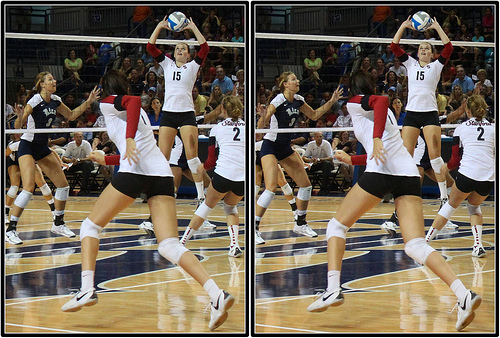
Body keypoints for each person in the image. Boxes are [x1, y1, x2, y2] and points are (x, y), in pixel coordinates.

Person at [307, 70, 481, 332]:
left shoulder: (357, 102)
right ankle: (463, 294)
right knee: (416, 246)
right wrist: (352, 159)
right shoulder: (382, 115)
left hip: (383, 174)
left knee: (336, 227)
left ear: (352, 88)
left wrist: (374, 139)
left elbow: (381, 102)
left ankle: (333, 289)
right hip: (408, 175)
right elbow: (387, 151)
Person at [60, 70, 234, 331]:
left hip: (137, 173)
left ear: (104, 89)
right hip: (160, 174)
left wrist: (127, 139)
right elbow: (139, 151)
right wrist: (106, 159)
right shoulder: (135, 115)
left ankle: (86, 289)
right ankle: (216, 294)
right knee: (169, 246)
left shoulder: (112, 102)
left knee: (89, 227)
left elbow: (131, 103)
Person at [6, 72, 100, 244]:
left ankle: (58, 223)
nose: (54, 81)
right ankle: (11, 229)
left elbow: (71, 115)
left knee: (63, 185)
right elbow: (18, 127)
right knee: (28, 187)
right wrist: (19, 117)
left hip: (42, 147)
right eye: (50, 80)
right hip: (28, 145)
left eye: (53, 79)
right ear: (42, 84)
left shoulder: (55, 99)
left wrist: (88, 102)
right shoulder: (35, 100)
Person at [255, 71, 342, 240]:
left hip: (285, 147)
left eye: (296, 79)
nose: (297, 81)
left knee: (306, 185)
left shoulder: (299, 100)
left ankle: (300, 224)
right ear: (285, 84)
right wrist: (262, 116)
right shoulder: (278, 100)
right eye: (293, 79)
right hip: (270, 145)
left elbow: (315, 115)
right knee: (271, 187)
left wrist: (331, 101)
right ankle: (255, 227)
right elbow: (261, 126)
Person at [390, 15, 453, 208]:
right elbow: (394, 47)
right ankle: (404, 195)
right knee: (406, 156)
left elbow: (449, 48)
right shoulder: (410, 63)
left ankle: (444, 198)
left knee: (435, 157)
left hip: (430, 114)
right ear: (417, 53)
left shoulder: (436, 66)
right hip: (412, 114)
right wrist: (403, 26)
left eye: (427, 48)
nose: (424, 49)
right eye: (421, 47)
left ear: (432, 54)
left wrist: (436, 27)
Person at [147, 15, 209, 205]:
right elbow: (150, 47)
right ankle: (161, 194)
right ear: (173, 54)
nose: (180, 50)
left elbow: (205, 48)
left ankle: (201, 198)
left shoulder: (192, 66)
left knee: (192, 159)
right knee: (162, 158)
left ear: (189, 54)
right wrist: (159, 26)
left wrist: (193, 27)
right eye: (177, 48)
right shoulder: (166, 64)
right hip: (169, 115)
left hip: (186, 115)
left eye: (184, 48)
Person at [425, 95, 494, 258]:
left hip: (468, 174)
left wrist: (445, 167)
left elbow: (455, 160)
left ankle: (425, 242)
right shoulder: (493, 128)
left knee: (450, 205)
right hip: (488, 178)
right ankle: (478, 246)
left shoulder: (461, 128)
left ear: (468, 111)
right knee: (474, 208)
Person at [180, 96, 245, 257]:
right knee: (230, 207)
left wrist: (202, 168)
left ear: (223, 110)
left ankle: (181, 243)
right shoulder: (248, 127)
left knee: (206, 206)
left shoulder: (217, 128)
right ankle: (234, 245)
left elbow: (211, 160)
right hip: (243, 178)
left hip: (224, 174)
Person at [5, 135, 58, 244]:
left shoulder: (35, 142)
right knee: (15, 186)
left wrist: (61, 163)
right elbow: (6, 153)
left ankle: (54, 211)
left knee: (42, 184)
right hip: (14, 161)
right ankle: (5, 214)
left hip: (28, 159)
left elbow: (52, 151)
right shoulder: (15, 144)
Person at [62, 131, 94, 196]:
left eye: (80, 137)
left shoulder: (86, 144)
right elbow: (64, 157)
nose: (78, 138)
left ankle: (84, 189)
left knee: (86, 164)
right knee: (63, 168)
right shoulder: (70, 144)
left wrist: (79, 160)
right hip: (74, 164)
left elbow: (90, 157)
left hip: (85, 164)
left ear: (83, 137)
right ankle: (65, 188)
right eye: (77, 137)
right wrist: (70, 160)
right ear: (74, 138)